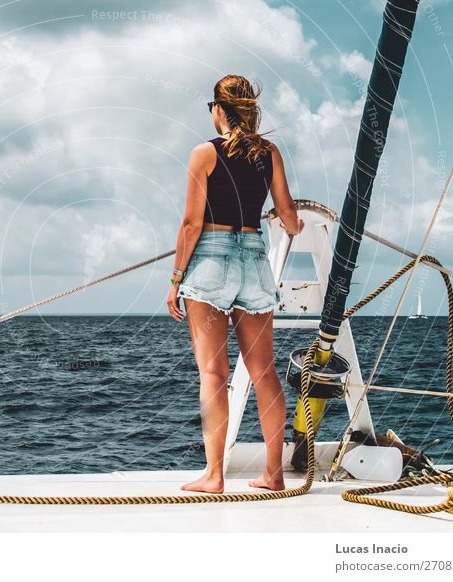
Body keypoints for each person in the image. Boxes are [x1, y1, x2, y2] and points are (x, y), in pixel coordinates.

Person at [166, 74, 303, 494]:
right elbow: (292, 222)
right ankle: (274, 474)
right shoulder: (269, 153)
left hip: (209, 260)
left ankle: (214, 475)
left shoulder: (203, 154)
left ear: (219, 109)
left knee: (212, 372)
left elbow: (191, 225)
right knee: (264, 372)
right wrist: (288, 220)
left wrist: (175, 280)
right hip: (254, 259)